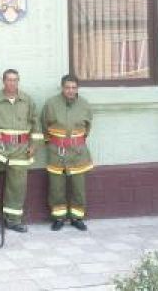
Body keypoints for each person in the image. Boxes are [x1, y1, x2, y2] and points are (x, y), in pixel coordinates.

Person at [0, 69, 43, 232]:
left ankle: (12, 220)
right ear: (3, 81)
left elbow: (36, 125)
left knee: (17, 185)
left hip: (21, 149)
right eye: (9, 80)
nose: (12, 83)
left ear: (18, 81)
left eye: (15, 80)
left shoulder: (27, 101)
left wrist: (34, 146)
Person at [41, 74, 93, 231]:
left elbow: (87, 127)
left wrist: (75, 141)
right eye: (67, 87)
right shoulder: (51, 104)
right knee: (56, 187)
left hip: (78, 152)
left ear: (77, 89)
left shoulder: (84, 105)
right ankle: (59, 217)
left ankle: (77, 217)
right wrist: (55, 142)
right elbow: (44, 125)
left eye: (73, 88)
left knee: (78, 187)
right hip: (56, 152)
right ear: (62, 88)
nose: (70, 90)